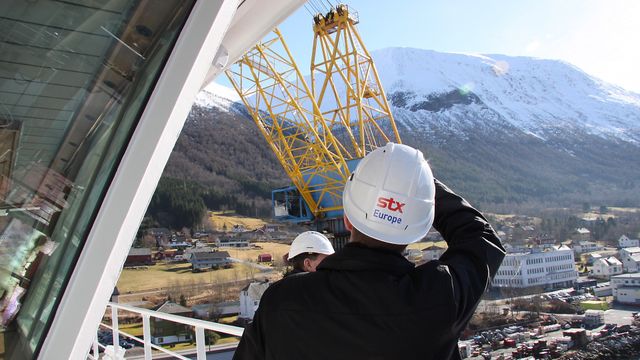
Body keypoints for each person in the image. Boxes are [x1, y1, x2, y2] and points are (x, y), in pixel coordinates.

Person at [233, 143, 505, 360]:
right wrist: (414, 184)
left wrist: (391, 183)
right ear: (420, 229)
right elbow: (480, 238)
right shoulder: (440, 297)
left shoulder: (282, 301)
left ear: (348, 218)